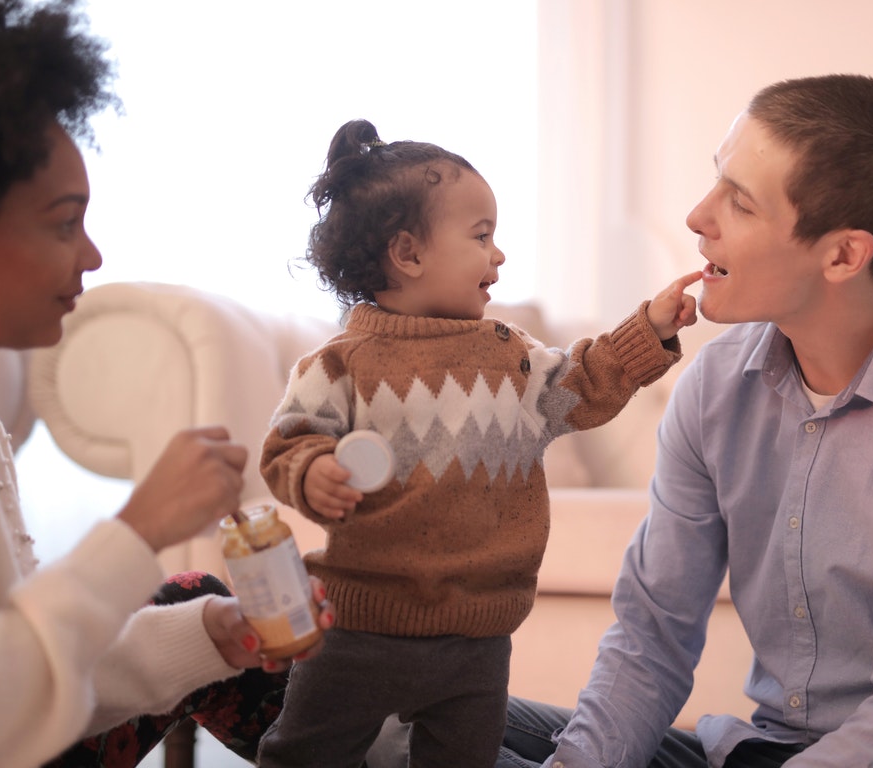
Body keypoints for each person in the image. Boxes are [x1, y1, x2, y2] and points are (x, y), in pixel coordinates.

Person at [489, 74, 873, 767]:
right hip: (763, 751)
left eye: (739, 205)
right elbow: (651, 637)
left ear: (843, 255)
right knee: (431, 719)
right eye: (717, 182)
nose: (696, 217)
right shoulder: (714, 387)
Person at [0, 1, 333, 766]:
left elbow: (23, 663)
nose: (91, 256)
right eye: (64, 223)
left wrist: (206, 639)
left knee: (198, 603)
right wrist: (136, 531)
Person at [257, 118, 702, 767]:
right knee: (303, 755)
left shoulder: (509, 357)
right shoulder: (339, 365)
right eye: (482, 236)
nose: (499, 255)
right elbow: (287, 444)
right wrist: (312, 470)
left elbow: (584, 381)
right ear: (408, 254)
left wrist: (649, 329)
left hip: (478, 635)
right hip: (359, 629)